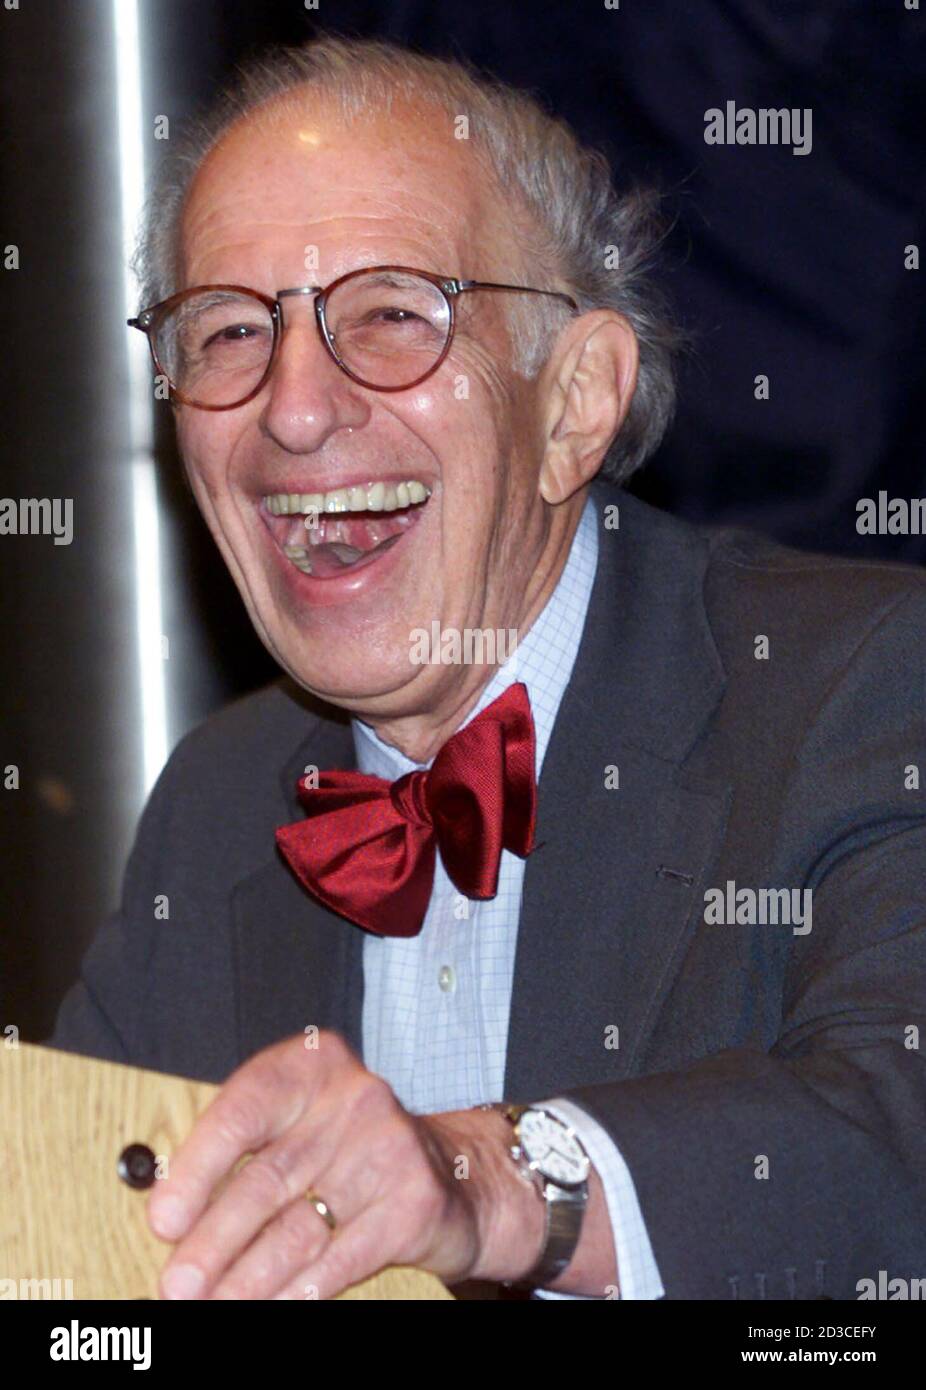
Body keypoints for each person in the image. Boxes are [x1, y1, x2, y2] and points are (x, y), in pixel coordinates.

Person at [47, 35, 926, 1301]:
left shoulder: (862, 678)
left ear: (574, 402)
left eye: (393, 313)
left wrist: (485, 1182)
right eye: (229, 330)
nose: (294, 408)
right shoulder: (219, 800)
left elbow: (892, 1133)